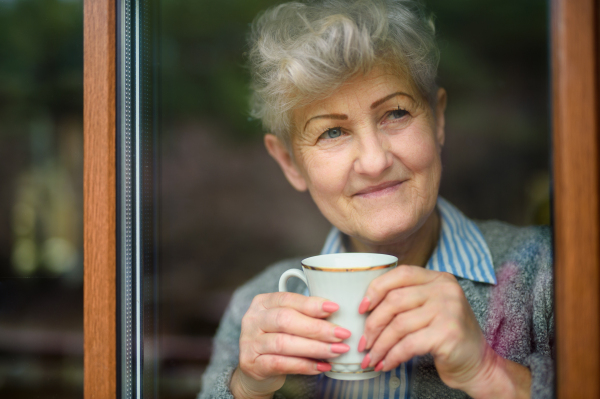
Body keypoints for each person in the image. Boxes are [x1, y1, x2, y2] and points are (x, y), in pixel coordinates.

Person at [198, 0, 553, 398]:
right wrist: (245, 387)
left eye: (396, 113)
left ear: (437, 119)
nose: (374, 161)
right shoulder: (254, 308)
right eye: (332, 133)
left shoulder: (549, 273)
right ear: (290, 163)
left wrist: (487, 372)